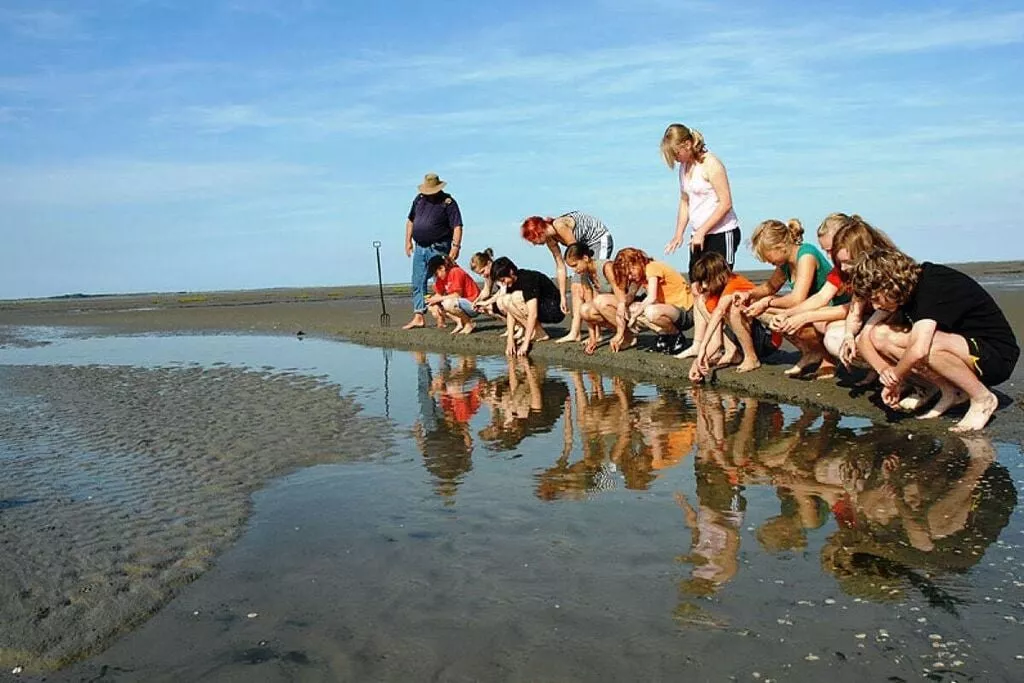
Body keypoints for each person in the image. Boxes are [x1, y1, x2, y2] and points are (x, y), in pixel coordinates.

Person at [848, 248, 1019, 432]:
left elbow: (919, 349)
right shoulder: (903, 290)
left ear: (889, 283)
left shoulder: (932, 285)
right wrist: (885, 372)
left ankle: (982, 398)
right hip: (959, 348)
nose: (874, 306)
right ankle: (950, 392)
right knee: (880, 334)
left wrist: (896, 378)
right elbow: (865, 337)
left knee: (927, 346)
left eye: (875, 299)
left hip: (995, 355)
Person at [736, 218, 836, 378]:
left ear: (780, 247)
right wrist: (749, 294)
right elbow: (770, 287)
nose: (767, 261)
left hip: (829, 310)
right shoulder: (785, 263)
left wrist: (767, 303)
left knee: (776, 313)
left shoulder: (806, 256)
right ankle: (810, 353)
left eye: (767, 256)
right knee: (757, 307)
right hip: (810, 308)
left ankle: (827, 358)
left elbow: (797, 299)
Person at [660, 124, 741, 278]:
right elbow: (685, 201)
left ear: (687, 145)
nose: (676, 159)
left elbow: (726, 203)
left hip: (721, 232)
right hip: (698, 235)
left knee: (717, 282)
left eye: (676, 153)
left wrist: (702, 231)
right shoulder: (684, 168)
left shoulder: (711, 164)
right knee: (696, 282)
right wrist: (678, 234)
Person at [520, 212, 615, 344]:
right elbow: (560, 266)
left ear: (539, 232)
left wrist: (583, 280)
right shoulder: (550, 239)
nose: (534, 244)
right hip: (582, 248)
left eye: (533, 240)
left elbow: (576, 253)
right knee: (575, 287)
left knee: (589, 286)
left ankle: (597, 332)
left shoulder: (560, 226)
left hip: (598, 240)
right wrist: (563, 296)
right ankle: (575, 333)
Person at [685, 251, 779, 381]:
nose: (705, 285)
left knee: (734, 307)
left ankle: (751, 358)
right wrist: (698, 363)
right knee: (701, 301)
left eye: (707, 280)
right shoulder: (715, 291)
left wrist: (701, 351)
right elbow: (716, 340)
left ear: (719, 276)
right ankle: (732, 353)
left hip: (767, 337)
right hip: (745, 336)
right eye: (702, 281)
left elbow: (720, 312)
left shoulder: (735, 283)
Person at [403, 173, 464, 330]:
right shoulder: (419, 199)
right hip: (420, 247)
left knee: (441, 281)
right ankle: (419, 315)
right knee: (418, 281)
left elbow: (457, 225)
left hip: (438, 246)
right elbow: (410, 220)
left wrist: (455, 247)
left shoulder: (448, 203)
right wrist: (407, 241)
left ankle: (444, 315)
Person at [611, 247, 695, 354]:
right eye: (628, 275)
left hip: (685, 311)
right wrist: (622, 305)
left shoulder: (652, 267)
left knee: (650, 311)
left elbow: (651, 297)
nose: (630, 277)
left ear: (637, 262)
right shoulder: (640, 276)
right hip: (669, 310)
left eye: (631, 272)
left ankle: (676, 335)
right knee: (631, 308)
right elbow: (631, 294)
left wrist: (634, 317)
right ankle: (664, 335)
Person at [563, 242, 631, 355]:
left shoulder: (606, 267)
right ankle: (624, 332)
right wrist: (592, 339)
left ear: (585, 258)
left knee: (600, 301)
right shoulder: (585, 275)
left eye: (575, 265)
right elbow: (589, 305)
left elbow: (621, 297)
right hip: (611, 305)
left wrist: (620, 331)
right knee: (584, 310)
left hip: (627, 302)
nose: (575, 270)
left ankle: (627, 335)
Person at [492, 257, 566, 357]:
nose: (504, 284)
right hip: (540, 307)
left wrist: (525, 344)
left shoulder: (527, 279)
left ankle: (538, 332)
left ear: (511, 272)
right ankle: (536, 332)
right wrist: (510, 340)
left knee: (515, 297)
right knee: (505, 300)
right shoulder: (511, 283)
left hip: (553, 309)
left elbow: (533, 313)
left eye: (503, 280)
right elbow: (510, 312)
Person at [425, 254, 481, 335]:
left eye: (436, 274)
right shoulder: (441, 279)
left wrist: (438, 299)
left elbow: (457, 295)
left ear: (442, 268)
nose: (436, 277)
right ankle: (460, 322)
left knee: (447, 303)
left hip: (473, 304)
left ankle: (469, 323)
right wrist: (431, 301)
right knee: (432, 306)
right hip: (460, 304)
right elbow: (438, 294)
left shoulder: (455, 272)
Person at [468, 248, 507, 326]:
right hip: (505, 295)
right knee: (483, 308)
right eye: (479, 274)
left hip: (513, 294)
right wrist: (477, 301)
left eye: (483, 271)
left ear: (489, 263)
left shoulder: (498, 269)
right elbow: (486, 291)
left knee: (497, 303)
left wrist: (486, 302)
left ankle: (517, 325)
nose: (482, 275)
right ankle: (510, 324)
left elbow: (503, 291)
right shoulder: (489, 273)